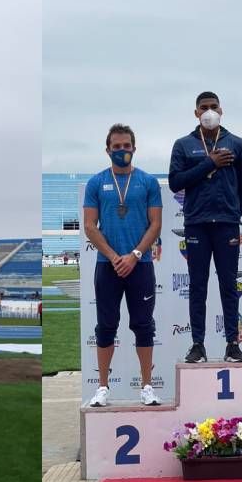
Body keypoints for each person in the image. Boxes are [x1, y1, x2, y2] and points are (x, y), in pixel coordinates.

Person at [168, 91, 242, 364]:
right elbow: (175, 182)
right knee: (198, 287)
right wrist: (209, 163)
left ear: (221, 110)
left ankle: (232, 344)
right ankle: (197, 344)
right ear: (195, 113)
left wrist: (232, 212)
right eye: (203, 107)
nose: (209, 111)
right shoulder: (183, 144)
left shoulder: (237, 144)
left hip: (226, 224)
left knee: (229, 285)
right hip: (197, 224)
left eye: (213, 106)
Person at [84, 123, 164, 407]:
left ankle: (147, 387)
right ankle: (103, 388)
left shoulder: (148, 182)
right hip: (108, 265)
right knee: (106, 326)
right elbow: (90, 226)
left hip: (139, 265)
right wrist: (114, 256)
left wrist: (135, 255)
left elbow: (155, 224)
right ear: (108, 150)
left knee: (143, 325)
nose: (122, 151)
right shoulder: (96, 183)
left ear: (134, 148)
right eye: (116, 147)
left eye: (126, 146)